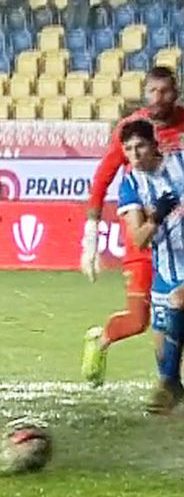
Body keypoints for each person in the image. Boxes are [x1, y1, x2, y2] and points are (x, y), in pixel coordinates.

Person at [80, 67, 184, 386]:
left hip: (179, 240)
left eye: (165, 91)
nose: (158, 98)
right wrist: (91, 237)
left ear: (176, 92)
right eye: (152, 91)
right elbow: (103, 177)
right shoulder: (130, 129)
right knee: (140, 319)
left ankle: (168, 385)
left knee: (175, 310)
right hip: (144, 235)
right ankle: (100, 340)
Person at [114, 119, 184, 414]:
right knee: (163, 350)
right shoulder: (131, 184)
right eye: (128, 149)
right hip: (166, 271)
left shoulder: (180, 163)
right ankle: (172, 392)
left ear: (154, 145)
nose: (135, 154)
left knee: (179, 301)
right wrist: (155, 216)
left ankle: (168, 384)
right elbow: (139, 239)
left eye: (140, 146)